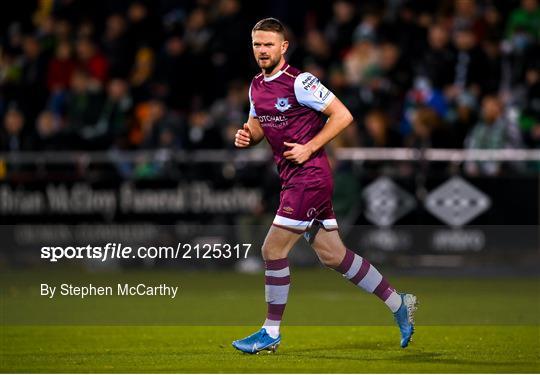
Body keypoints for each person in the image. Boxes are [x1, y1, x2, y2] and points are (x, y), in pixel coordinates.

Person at [232, 18, 418, 354]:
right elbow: (257, 126)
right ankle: (398, 303)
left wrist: (310, 146)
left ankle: (270, 332)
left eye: (269, 44)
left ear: (283, 47)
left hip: (310, 177)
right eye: (257, 44)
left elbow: (343, 115)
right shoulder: (255, 87)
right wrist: (246, 136)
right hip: (291, 178)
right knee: (334, 256)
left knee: (272, 250)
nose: (262, 50)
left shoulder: (300, 81)